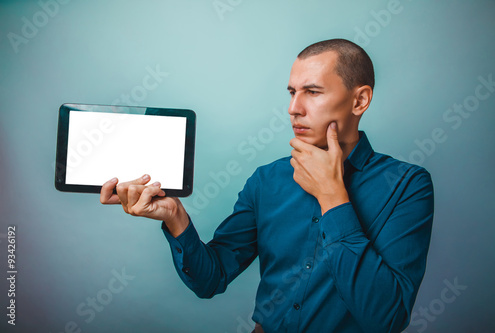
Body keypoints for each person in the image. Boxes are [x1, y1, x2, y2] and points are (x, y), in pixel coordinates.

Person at [100, 39, 434, 333]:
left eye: (313, 92)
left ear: (359, 101)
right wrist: (174, 217)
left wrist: (333, 196)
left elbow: (386, 318)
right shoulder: (267, 180)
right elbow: (211, 278)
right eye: (292, 92)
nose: (294, 109)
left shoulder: (407, 186)